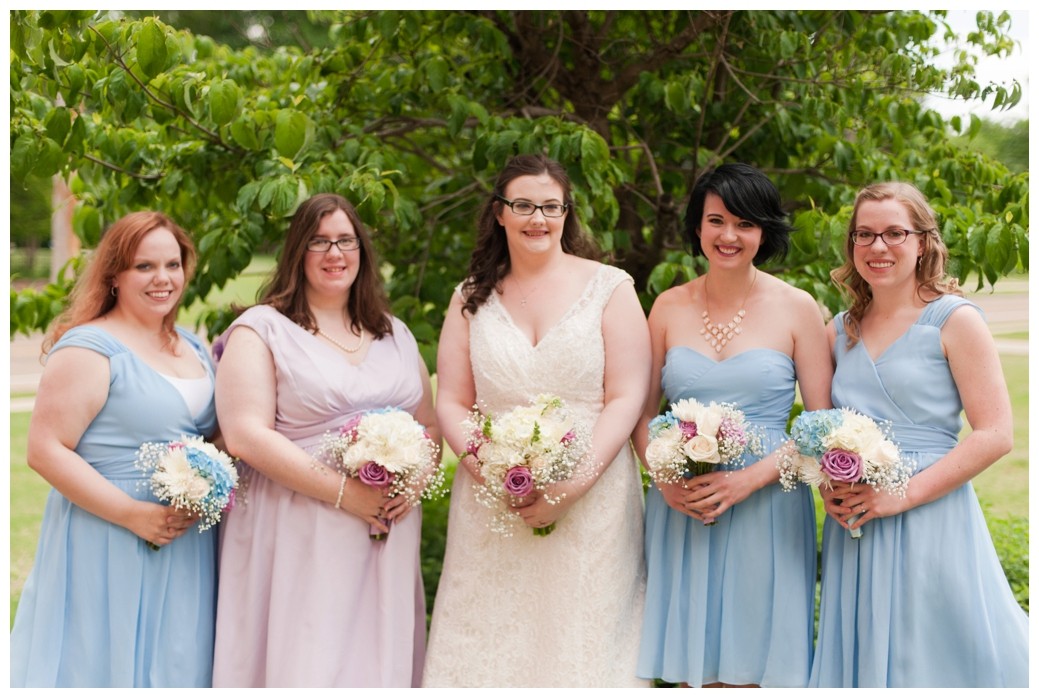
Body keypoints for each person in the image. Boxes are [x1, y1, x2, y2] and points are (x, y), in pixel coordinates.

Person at [422, 154, 651, 687]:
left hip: (594, 500)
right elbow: (453, 401)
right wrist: (491, 472)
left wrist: (573, 485)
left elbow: (626, 395)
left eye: (551, 207)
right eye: (523, 205)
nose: (538, 219)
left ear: (568, 214)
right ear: (499, 213)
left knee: (584, 639)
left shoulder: (611, 288)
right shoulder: (470, 297)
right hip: (492, 502)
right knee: (491, 640)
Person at [210, 193, 438, 687]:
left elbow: (431, 425)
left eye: (346, 241)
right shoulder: (262, 330)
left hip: (386, 532)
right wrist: (345, 494)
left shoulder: (394, 333)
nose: (335, 254)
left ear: (363, 251)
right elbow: (245, 435)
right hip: (297, 526)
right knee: (307, 654)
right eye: (319, 242)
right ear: (297, 252)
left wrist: (416, 478)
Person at [809, 182, 1028, 687]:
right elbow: (821, 431)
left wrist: (901, 496)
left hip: (930, 509)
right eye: (864, 235)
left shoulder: (955, 320)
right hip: (856, 520)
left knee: (937, 651)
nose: (877, 247)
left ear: (923, 242)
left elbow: (996, 433)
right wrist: (830, 487)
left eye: (894, 233)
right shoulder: (839, 330)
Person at [635, 164, 832, 687]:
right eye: (716, 220)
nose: (728, 236)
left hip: (767, 502)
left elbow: (821, 423)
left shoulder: (798, 307)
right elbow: (639, 412)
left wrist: (750, 478)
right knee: (690, 667)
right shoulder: (666, 306)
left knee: (753, 664)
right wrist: (664, 479)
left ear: (763, 231)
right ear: (697, 227)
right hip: (685, 502)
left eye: (744, 224)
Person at [10, 212, 217, 687]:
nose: (163, 279)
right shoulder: (89, 348)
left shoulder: (191, 345)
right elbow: (44, 449)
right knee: (105, 662)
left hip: (185, 541)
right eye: (144, 267)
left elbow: (209, 435)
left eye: (173, 264)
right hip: (108, 533)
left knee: (177, 663)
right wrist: (131, 513)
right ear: (115, 276)